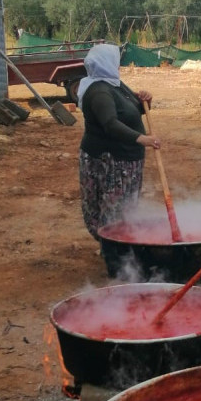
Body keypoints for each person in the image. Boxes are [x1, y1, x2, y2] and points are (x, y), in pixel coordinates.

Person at [77, 43, 159, 249]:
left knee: (124, 209)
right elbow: (111, 124)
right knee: (112, 210)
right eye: (116, 61)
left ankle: (118, 247)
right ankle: (112, 251)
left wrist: (145, 101)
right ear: (107, 63)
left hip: (126, 159)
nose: (119, 65)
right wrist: (143, 139)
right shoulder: (99, 92)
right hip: (110, 160)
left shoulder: (114, 84)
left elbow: (131, 111)